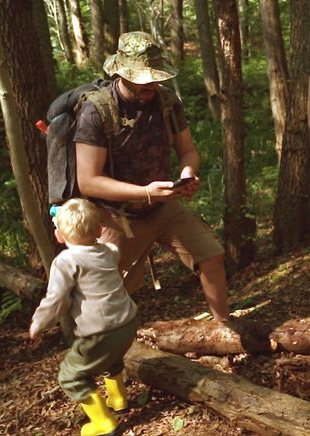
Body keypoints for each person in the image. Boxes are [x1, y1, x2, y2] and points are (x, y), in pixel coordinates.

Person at [74, 31, 229, 321]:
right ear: (121, 74)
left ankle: (225, 328)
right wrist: (144, 192)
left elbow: (188, 150)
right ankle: (112, 353)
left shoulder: (167, 102)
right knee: (111, 291)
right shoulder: (98, 110)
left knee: (211, 255)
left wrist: (187, 175)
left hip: (163, 206)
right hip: (115, 216)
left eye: (155, 77)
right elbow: (88, 181)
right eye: (142, 79)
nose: (151, 85)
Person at [29, 199, 138, 436]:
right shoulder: (108, 252)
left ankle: (104, 423)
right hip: (128, 322)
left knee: (71, 376)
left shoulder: (65, 261)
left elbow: (55, 299)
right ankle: (118, 399)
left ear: (58, 236)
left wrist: (39, 323)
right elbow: (113, 246)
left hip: (100, 330)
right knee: (111, 357)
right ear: (99, 231)